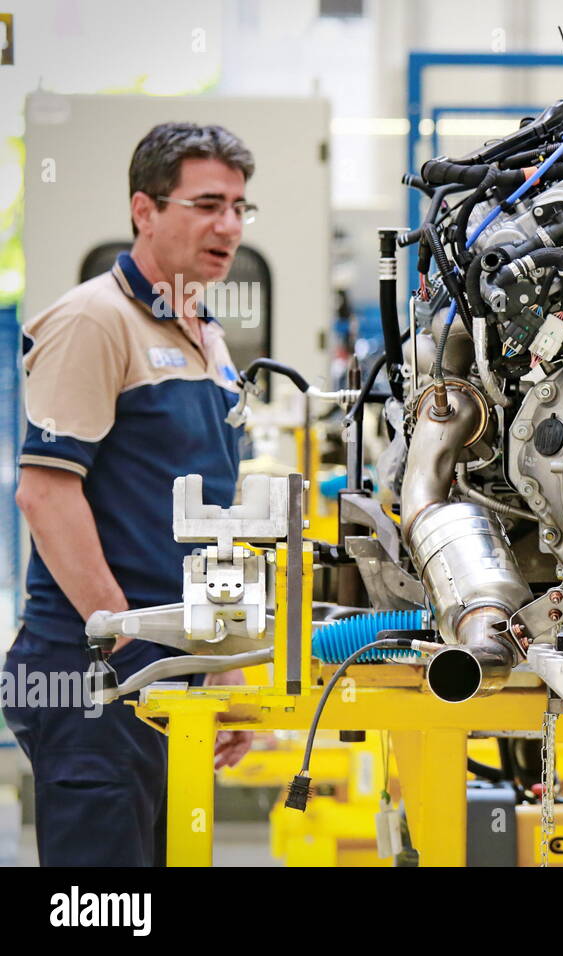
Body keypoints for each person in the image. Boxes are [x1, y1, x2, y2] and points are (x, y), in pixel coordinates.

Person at [3, 123, 257, 865]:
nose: (229, 226)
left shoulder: (205, 336)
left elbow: (212, 516)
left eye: (241, 208)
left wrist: (225, 663)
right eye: (208, 203)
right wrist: (119, 638)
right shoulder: (93, 321)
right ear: (144, 211)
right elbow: (45, 495)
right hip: (92, 675)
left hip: (170, 666)